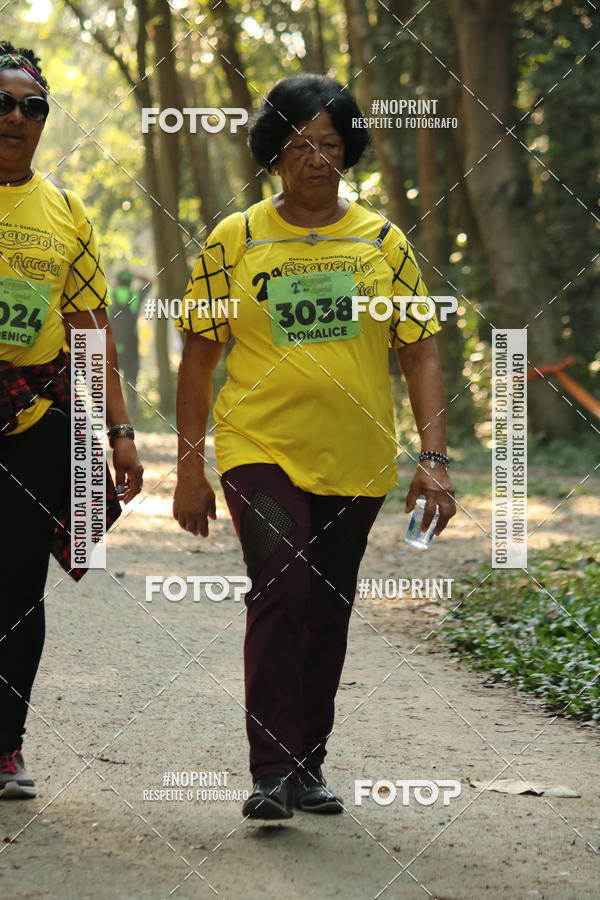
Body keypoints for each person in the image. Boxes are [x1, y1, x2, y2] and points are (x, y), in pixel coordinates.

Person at [173, 74, 456, 820]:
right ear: (274, 152)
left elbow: (420, 352)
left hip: (357, 458)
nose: (315, 158)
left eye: (329, 143)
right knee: (282, 586)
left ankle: (307, 764)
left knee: (327, 608)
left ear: (348, 150)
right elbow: (198, 359)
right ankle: (270, 770)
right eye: (298, 144)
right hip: (257, 444)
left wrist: (434, 459)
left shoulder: (383, 242)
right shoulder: (235, 239)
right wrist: (190, 468)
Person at [0, 44, 143, 798]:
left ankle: (5, 747)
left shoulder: (65, 211)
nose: (16, 117)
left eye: (33, 106)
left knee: (18, 590)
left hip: (34, 425)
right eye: (2, 102)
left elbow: (89, 329)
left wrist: (119, 433)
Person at [109, 268, 151, 421]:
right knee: (131, 381)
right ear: (130, 281)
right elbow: (149, 282)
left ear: (117, 281)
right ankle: (133, 416)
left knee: (110, 381)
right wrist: (135, 273)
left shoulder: (109, 295)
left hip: (112, 345)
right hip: (131, 346)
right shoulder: (135, 295)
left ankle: (111, 417)